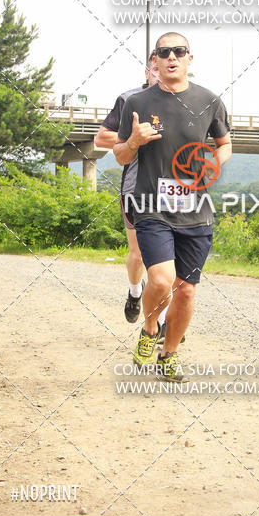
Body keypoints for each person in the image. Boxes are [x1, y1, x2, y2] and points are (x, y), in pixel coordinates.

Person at [113, 32, 231, 382]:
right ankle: (150, 329)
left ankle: (170, 353)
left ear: (189, 58)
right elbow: (120, 154)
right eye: (164, 52)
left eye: (178, 51)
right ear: (156, 60)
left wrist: (214, 163)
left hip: (195, 209)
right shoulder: (137, 103)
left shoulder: (209, 101)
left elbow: (225, 145)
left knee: (187, 289)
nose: (171, 57)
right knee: (162, 281)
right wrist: (133, 140)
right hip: (151, 206)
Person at [94, 51, 169, 327]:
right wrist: (135, 138)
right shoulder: (130, 100)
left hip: (172, 189)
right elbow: (101, 137)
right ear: (149, 68)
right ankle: (135, 292)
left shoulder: (183, 101)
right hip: (136, 187)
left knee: (166, 261)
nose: (161, 69)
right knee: (138, 254)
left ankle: (162, 320)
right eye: (155, 65)